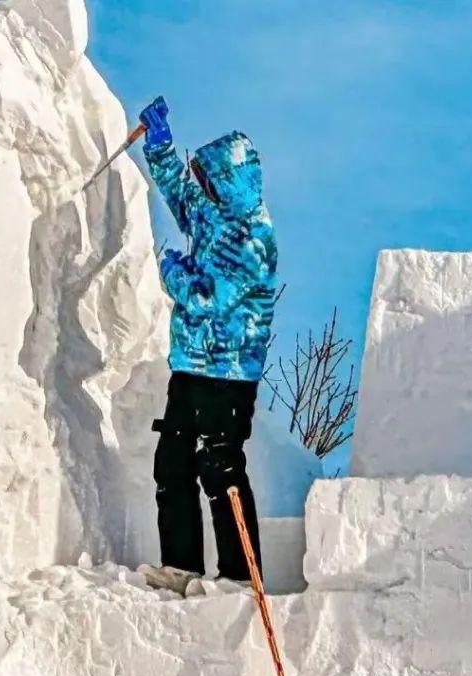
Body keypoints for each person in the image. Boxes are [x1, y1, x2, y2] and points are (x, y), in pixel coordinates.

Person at [134, 96, 277, 596]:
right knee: (172, 461)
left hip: (229, 376)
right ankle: (181, 565)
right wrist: (161, 146)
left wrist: (169, 266)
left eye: (208, 177)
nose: (201, 185)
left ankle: (239, 575)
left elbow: (205, 297)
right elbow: (179, 195)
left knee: (218, 465)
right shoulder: (214, 214)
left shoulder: (254, 239)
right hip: (190, 366)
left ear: (229, 183)